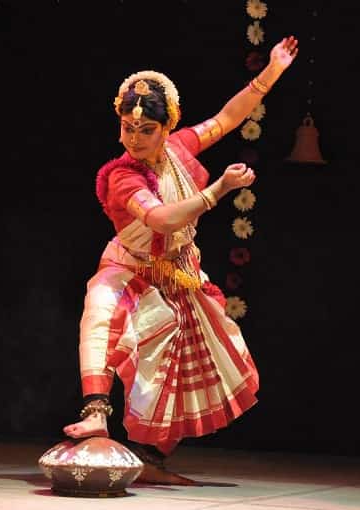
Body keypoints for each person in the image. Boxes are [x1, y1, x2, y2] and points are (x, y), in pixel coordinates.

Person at [62, 36, 299, 485]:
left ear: (166, 128)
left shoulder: (178, 150)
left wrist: (272, 71)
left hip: (180, 275)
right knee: (101, 310)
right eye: (128, 128)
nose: (134, 137)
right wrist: (218, 191)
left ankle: (149, 454)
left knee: (187, 370)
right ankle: (95, 411)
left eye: (145, 129)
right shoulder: (121, 175)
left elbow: (227, 119)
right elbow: (162, 219)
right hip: (131, 266)